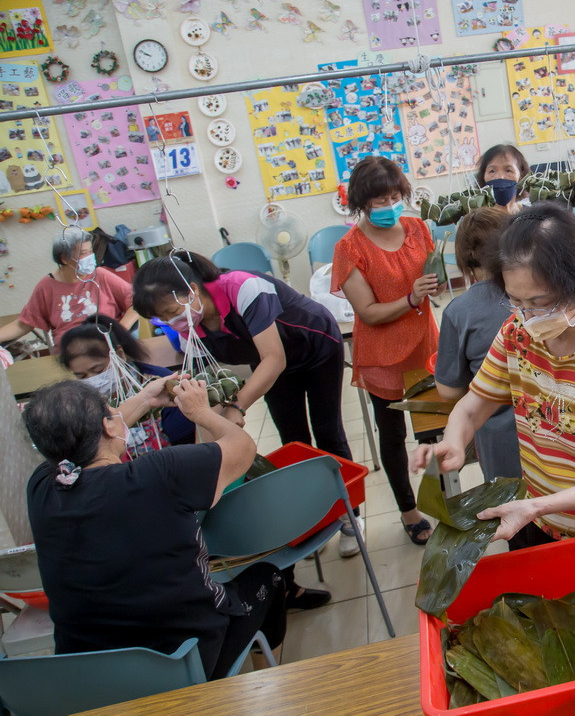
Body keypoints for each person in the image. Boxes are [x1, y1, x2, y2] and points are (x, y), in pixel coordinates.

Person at [411, 203, 575, 550]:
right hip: (540, 516)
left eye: (541, 302)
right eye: (516, 301)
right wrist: (454, 441)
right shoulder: (517, 332)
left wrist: (538, 505)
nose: (529, 316)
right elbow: (474, 405)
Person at [24, 378, 286, 680]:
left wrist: (146, 399)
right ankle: (258, 688)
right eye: (112, 412)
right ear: (108, 426)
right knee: (270, 577)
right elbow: (242, 447)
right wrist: (201, 412)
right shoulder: (161, 473)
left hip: (90, 673)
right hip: (182, 663)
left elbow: (78, 436)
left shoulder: (42, 486)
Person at [132, 251, 355, 586]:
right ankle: (314, 519)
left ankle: (350, 518)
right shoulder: (187, 325)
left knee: (328, 432)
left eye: (170, 312)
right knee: (294, 440)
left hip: (314, 346)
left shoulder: (243, 287)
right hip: (270, 364)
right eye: (161, 319)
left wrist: (236, 408)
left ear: (191, 290)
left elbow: (274, 358)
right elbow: (204, 375)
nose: (170, 322)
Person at [333, 155, 440, 545]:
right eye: (379, 200)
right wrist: (412, 298)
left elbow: (432, 278)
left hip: (425, 346)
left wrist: (432, 287)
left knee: (432, 430)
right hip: (383, 355)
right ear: (361, 202)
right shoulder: (350, 248)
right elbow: (368, 312)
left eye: (395, 196)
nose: (388, 206)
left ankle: (443, 500)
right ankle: (409, 510)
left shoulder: (416, 228)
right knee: (393, 434)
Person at [433, 207, 521, 481]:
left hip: (500, 440)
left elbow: (448, 390)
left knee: (511, 512)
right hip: (559, 434)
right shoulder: (543, 295)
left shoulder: (460, 311)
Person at [59, 314, 196, 447]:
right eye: (81, 376)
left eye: (98, 370)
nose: (92, 380)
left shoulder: (158, 383)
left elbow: (183, 438)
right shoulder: (79, 402)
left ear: (119, 354)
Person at [0, 228, 137, 348]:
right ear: (64, 258)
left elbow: (136, 302)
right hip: (71, 353)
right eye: (83, 254)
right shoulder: (46, 286)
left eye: (91, 252)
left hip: (105, 346)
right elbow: (24, 324)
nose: (90, 258)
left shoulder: (100, 276)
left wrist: (120, 330)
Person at [477, 143, 529, 214]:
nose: (500, 177)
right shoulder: (476, 220)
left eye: (508, 170)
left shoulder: (532, 215)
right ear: (483, 176)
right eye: (492, 171)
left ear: (522, 176)